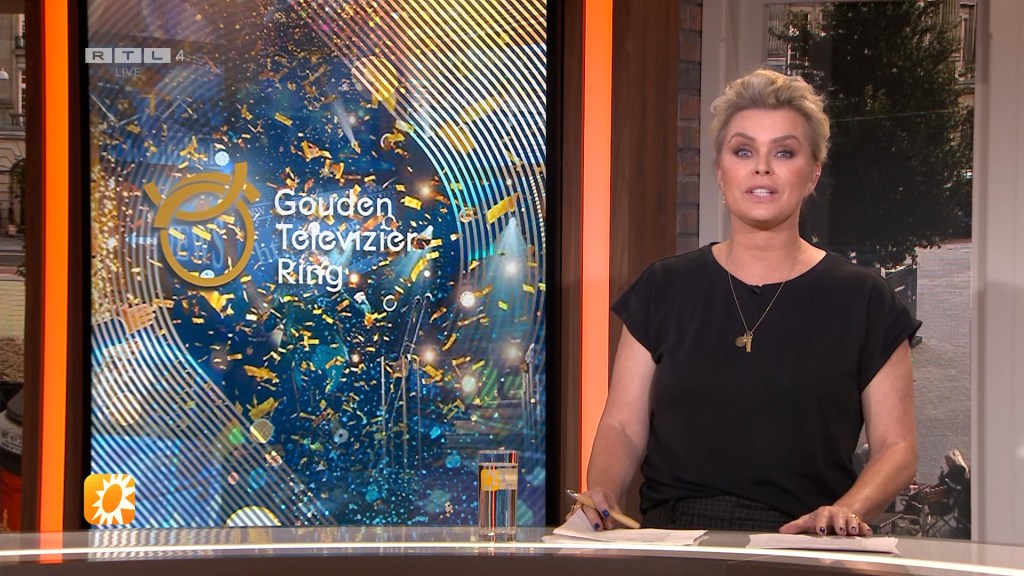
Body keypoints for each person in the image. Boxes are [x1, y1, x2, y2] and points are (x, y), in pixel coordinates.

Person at [571, 69, 920, 535]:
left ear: (813, 174)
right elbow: (621, 426)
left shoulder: (865, 299)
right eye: (743, 151)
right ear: (720, 173)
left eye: (784, 152)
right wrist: (602, 492)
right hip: (676, 542)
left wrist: (846, 511)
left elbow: (897, 447)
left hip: (802, 540)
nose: (762, 168)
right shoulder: (665, 287)